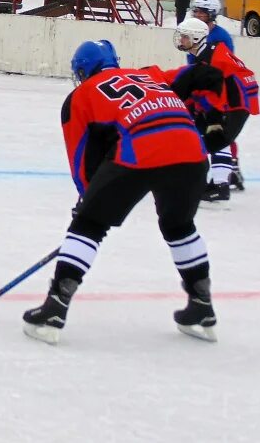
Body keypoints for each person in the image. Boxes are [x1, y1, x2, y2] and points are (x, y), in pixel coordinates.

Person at [22, 40, 216, 345]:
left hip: (142, 150)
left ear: (83, 71)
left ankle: (54, 309)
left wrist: (87, 200)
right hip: (193, 153)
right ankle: (202, 305)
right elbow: (189, 75)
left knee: (88, 227)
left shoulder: (81, 95)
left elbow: (81, 157)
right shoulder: (149, 75)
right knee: (180, 227)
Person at [168, 18, 260, 203]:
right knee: (212, 135)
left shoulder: (210, 58)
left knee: (218, 136)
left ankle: (221, 185)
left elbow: (220, 87)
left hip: (236, 102)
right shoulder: (206, 54)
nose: (181, 40)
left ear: (196, 38)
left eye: (185, 37)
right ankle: (224, 177)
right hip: (232, 99)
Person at [187, 0, 244, 190]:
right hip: (201, 89)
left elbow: (221, 68)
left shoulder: (220, 37)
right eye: (195, 11)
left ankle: (229, 169)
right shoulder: (194, 31)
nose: (196, 15)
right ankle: (226, 169)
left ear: (211, 15)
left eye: (201, 12)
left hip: (219, 91)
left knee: (219, 130)